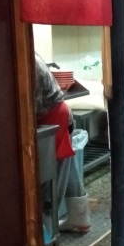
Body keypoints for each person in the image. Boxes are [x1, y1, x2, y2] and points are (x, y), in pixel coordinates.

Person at [34, 54, 90, 233]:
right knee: (67, 160)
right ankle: (80, 217)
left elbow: (31, 105)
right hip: (59, 111)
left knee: (51, 172)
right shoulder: (30, 55)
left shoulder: (24, 58)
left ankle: (48, 226)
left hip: (51, 116)